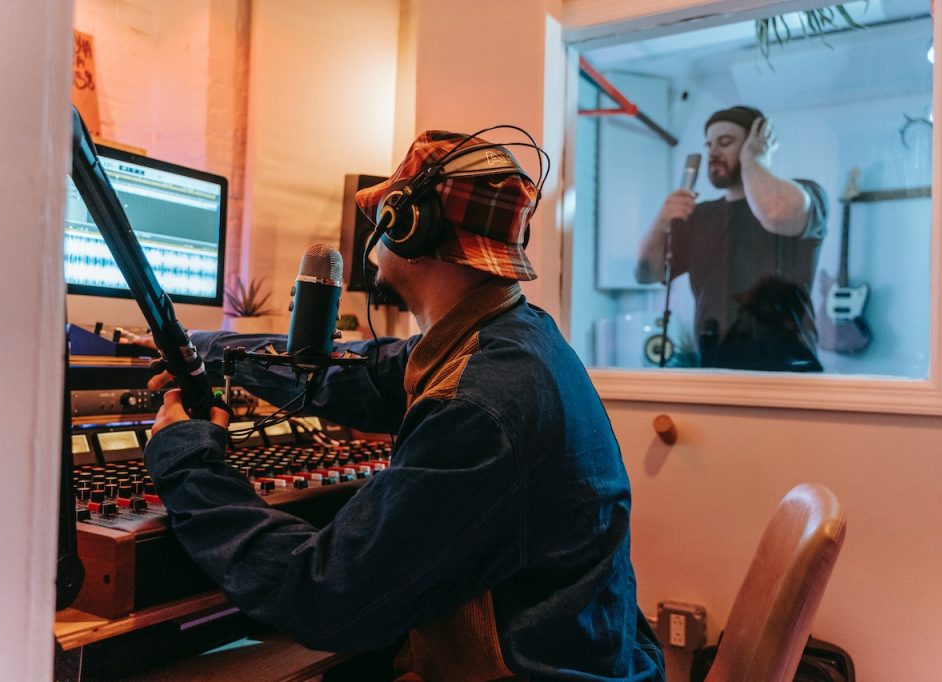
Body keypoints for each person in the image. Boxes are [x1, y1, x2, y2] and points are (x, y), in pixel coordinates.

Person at [143, 130, 665, 680]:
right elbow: (366, 373)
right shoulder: (511, 337)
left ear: (409, 224)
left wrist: (183, 456)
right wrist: (204, 351)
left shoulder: (479, 406)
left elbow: (323, 596)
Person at [635, 105, 828, 372]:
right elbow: (646, 272)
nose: (713, 152)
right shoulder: (700, 216)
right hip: (716, 369)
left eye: (725, 142)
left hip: (789, 373)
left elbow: (776, 211)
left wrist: (754, 159)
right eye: (709, 144)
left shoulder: (803, 194)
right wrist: (662, 219)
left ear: (758, 142)